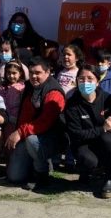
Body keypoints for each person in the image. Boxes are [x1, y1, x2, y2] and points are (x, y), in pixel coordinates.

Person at [5, 57, 66, 190]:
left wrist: (20, 132)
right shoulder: (29, 87)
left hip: (51, 139)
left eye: (38, 73)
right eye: (32, 72)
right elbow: (24, 115)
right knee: (14, 177)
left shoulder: (54, 92)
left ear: (47, 72)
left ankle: (41, 175)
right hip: (30, 135)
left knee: (32, 140)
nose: (34, 76)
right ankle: (35, 163)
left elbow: (45, 122)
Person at [63, 64, 111, 198]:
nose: (85, 82)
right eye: (81, 79)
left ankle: (110, 178)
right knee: (89, 161)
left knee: (109, 140)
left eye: (90, 79)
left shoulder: (108, 99)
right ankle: (86, 170)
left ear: (97, 81)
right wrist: (102, 128)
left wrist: (107, 129)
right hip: (82, 143)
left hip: (103, 139)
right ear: (76, 81)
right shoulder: (72, 104)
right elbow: (77, 134)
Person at [0, 61, 27, 177]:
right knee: (3, 144)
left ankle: (14, 166)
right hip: (3, 119)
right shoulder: (1, 87)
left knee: (12, 144)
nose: (11, 76)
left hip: (15, 121)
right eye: (8, 73)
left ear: (20, 74)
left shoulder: (22, 87)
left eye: (14, 73)